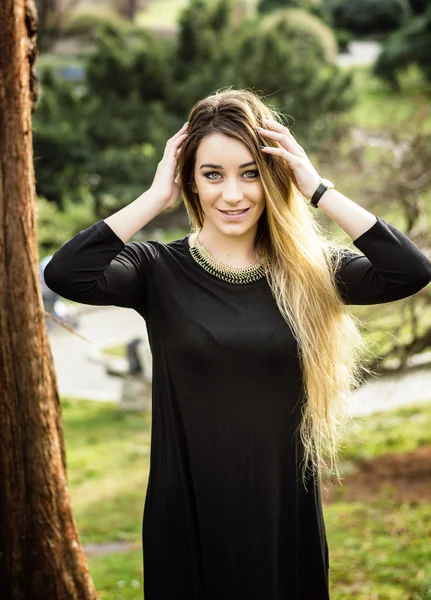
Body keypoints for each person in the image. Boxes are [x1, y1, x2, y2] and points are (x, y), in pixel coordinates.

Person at [44, 89, 431, 600]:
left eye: (250, 173)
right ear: (191, 181)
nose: (232, 194)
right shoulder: (156, 269)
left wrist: (316, 187)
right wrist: (155, 197)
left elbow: (409, 270)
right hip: (189, 513)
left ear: (272, 178)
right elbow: (67, 273)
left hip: (281, 514)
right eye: (213, 174)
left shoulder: (308, 272)